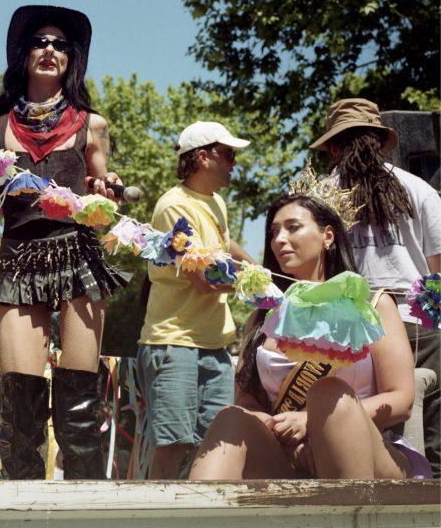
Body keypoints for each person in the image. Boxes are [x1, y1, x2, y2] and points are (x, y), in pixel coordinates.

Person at [0, 5, 129, 480]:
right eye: (40, 41)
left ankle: (88, 525)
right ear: (23, 54)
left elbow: (105, 208)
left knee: (79, 413)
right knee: (21, 408)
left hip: (77, 256)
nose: (50, 49)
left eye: (61, 44)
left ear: (72, 59)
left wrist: (107, 193)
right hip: (18, 259)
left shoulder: (90, 125)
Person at [189, 192, 431, 480]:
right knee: (230, 418)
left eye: (293, 227)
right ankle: (197, 520)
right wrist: (282, 429)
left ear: (327, 236)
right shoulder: (265, 313)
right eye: (274, 232)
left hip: (366, 450)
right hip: (286, 453)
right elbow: (248, 402)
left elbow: (400, 399)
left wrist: (311, 422)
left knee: (330, 395)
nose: (279, 239)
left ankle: (350, 520)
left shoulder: (373, 305)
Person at [311, 98, 441, 476]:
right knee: (432, 439)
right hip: (420, 325)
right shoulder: (419, 189)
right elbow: (438, 268)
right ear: (380, 141)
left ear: (334, 147)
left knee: (357, 427)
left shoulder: (319, 197)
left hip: (351, 329)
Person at [137, 121, 255, 479]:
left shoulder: (216, 202)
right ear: (203, 157)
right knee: (174, 445)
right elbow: (204, 278)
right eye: (228, 154)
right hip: (173, 343)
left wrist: (260, 267)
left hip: (215, 345)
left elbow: (224, 246)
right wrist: (259, 283)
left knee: (215, 448)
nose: (234, 162)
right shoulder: (173, 206)